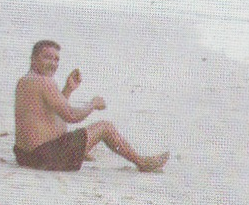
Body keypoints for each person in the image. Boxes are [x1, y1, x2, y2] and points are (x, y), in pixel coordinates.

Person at [13, 40, 167, 172]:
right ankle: (141, 162)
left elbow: (53, 114)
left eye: (56, 60)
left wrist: (68, 89)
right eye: (47, 58)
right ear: (33, 59)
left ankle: (81, 152)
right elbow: (71, 116)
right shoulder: (43, 81)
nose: (53, 64)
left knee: (73, 134)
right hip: (43, 157)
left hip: (25, 157)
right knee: (105, 127)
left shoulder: (26, 80)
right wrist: (93, 104)